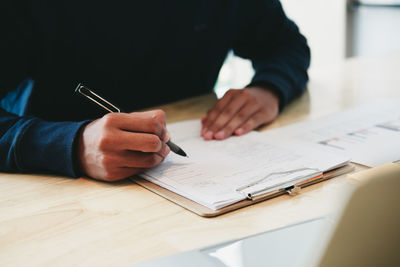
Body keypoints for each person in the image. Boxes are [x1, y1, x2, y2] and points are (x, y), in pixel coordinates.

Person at [0, 0, 310, 182]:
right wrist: (72, 145)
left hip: (182, 193)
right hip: (56, 187)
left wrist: (270, 89)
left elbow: (286, 44)